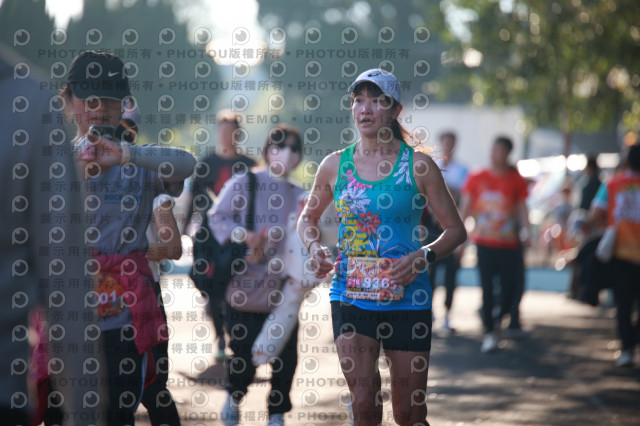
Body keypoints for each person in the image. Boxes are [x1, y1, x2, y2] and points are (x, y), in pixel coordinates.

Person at [297, 69, 466, 426]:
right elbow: (307, 219)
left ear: (395, 109)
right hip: (350, 295)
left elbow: (455, 231)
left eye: (377, 101)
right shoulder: (335, 165)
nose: (365, 108)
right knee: (363, 402)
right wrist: (314, 248)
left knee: (410, 414)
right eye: (359, 100)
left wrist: (423, 256)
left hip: (408, 298)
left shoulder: (419, 165)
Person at [64, 50, 195, 425]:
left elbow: (186, 163)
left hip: (124, 318)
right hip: (67, 313)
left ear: (123, 104)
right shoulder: (54, 159)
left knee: (119, 412)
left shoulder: (138, 162)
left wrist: (126, 154)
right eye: (89, 99)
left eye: (109, 100)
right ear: (69, 101)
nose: (99, 109)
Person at [1, 45, 104, 426]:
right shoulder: (30, 102)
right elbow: (66, 279)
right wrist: (85, 413)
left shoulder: (31, 104)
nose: (96, 110)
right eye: (86, 98)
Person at [208, 125, 306, 426]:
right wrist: (245, 236)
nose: (286, 153)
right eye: (280, 146)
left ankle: (276, 413)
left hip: (283, 290)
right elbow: (217, 217)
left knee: (286, 356)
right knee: (243, 354)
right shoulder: (245, 182)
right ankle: (234, 397)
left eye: (293, 148)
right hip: (244, 286)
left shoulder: (299, 195)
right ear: (267, 150)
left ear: (299, 157)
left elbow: (310, 234)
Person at [186, 110, 256, 361]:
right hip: (208, 237)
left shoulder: (249, 166)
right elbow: (194, 200)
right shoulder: (206, 163)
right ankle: (219, 335)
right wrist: (183, 231)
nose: (226, 135)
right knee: (207, 282)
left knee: (233, 284)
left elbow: (258, 204)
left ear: (238, 133)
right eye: (222, 130)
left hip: (238, 237)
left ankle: (237, 334)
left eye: (231, 131)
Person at [458, 137, 531, 353]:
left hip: (509, 243)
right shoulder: (476, 177)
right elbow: (465, 208)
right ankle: (490, 331)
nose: (494, 153)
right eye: (493, 149)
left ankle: (499, 319)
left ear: (508, 153)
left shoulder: (515, 179)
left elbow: (521, 208)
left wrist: (527, 232)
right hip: (484, 243)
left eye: (499, 150)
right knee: (487, 287)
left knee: (510, 287)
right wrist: (459, 239)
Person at [588, 143, 640, 367]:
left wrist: (609, 229)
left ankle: (627, 348)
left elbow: (595, 215)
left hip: (620, 254)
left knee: (623, 304)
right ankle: (633, 340)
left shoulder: (613, 184)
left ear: (626, 161)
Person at [141, 193, 182, 426]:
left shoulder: (152, 190)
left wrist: (127, 252)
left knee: (154, 387)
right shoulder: (76, 186)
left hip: (144, 296)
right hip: (90, 298)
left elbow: (173, 247)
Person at [423, 131, 468, 333]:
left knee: (451, 274)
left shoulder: (462, 171)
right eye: (444, 142)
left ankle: (448, 314)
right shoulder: (431, 167)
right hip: (433, 227)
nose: (447, 145)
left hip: (452, 226)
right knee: (429, 272)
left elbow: (464, 200)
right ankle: (429, 311)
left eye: (451, 142)